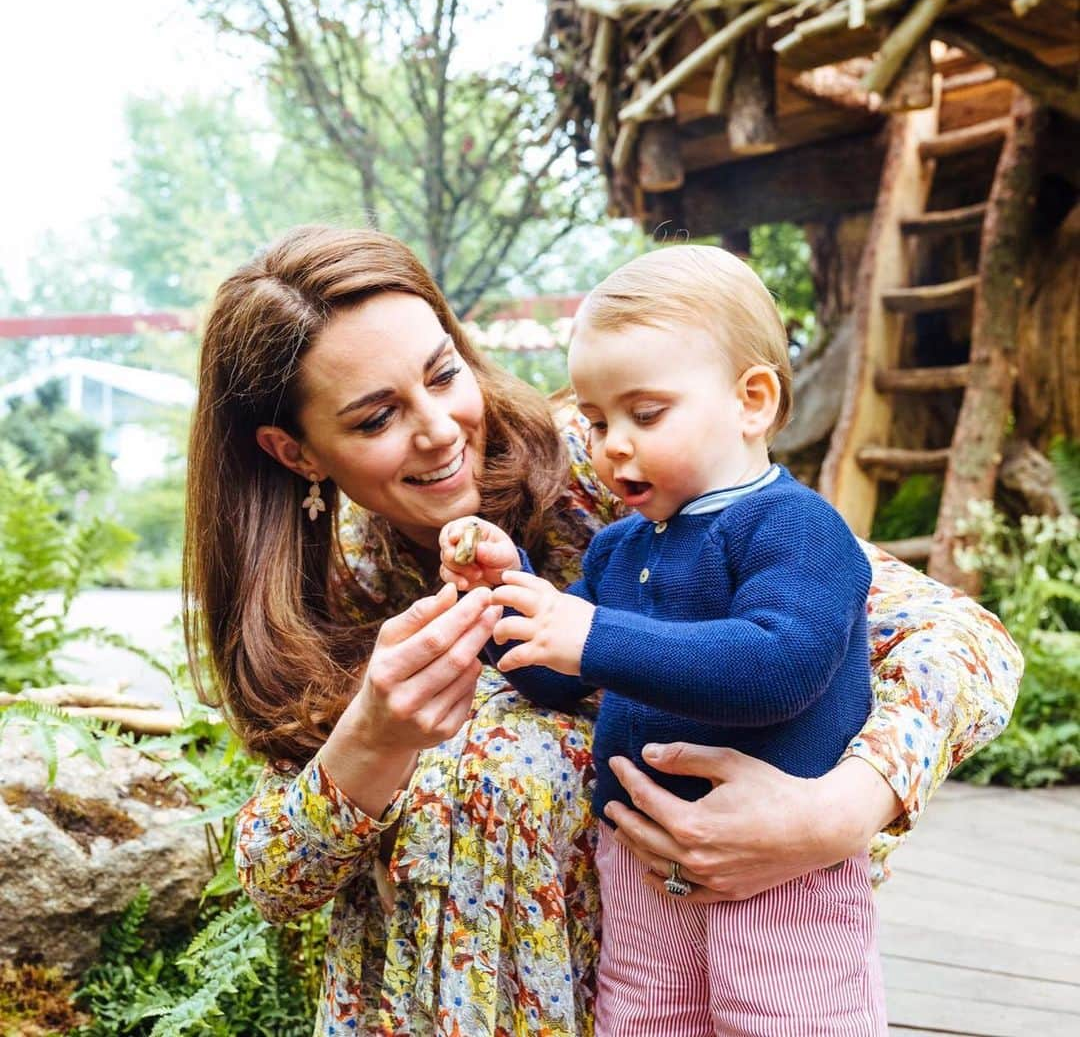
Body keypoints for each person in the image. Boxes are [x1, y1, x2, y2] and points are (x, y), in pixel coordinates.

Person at [184, 224, 1022, 1037]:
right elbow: (275, 880)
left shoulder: (621, 466)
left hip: (714, 951)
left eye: (444, 375)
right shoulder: (318, 598)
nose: (439, 429)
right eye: (376, 419)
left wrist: (840, 813)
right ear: (295, 453)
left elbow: (964, 639)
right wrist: (370, 742)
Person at [439, 245, 886, 1033]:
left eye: (646, 415)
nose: (614, 444)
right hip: (640, 861)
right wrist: (504, 598)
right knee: (646, 1019)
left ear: (751, 402)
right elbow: (553, 674)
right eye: (599, 420)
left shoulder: (796, 528)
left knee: (787, 1019)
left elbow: (780, 666)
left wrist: (594, 638)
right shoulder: (619, 548)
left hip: (781, 872)